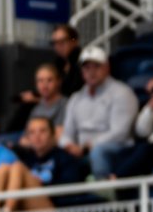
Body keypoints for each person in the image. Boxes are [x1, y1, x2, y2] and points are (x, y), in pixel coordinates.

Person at [59, 45, 138, 179]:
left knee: (98, 151)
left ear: (107, 67)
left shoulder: (122, 93)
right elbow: (67, 133)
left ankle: (105, 192)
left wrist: (88, 146)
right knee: (57, 154)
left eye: (96, 66)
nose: (91, 72)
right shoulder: (76, 98)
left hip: (116, 147)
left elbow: (120, 132)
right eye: (87, 67)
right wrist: (68, 145)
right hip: (81, 150)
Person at [0, 115, 85, 212]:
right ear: (27, 137)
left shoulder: (65, 158)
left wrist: (38, 183)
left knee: (17, 167)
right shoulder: (26, 158)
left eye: (42, 131)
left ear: (53, 135)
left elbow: (68, 192)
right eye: (32, 132)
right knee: (5, 167)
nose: (37, 136)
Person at [6, 62, 67, 142]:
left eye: (49, 80)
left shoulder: (65, 104)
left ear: (58, 82)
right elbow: (26, 136)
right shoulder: (37, 108)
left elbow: (59, 134)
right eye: (40, 81)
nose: (44, 85)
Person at [49, 23, 83, 96]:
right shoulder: (58, 63)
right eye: (54, 43)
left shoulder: (84, 62)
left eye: (62, 42)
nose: (57, 46)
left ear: (74, 41)